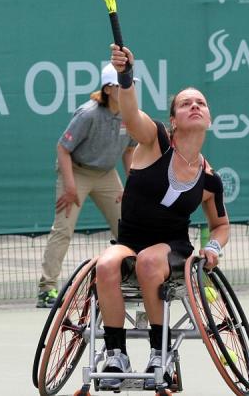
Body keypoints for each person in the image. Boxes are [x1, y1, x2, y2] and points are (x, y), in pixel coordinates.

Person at [95, 44, 229, 390]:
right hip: (130, 241)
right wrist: (126, 76)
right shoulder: (153, 140)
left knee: (151, 262)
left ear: (209, 118)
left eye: (200, 103)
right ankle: (115, 354)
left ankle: (160, 352)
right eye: (186, 103)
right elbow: (130, 113)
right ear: (173, 120)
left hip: (173, 249)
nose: (195, 106)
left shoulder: (209, 179)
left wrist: (214, 246)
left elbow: (221, 225)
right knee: (106, 265)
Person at [37, 63, 136, 308]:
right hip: (76, 171)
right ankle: (47, 289)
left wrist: (131, 185)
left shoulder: (129, 113)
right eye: (123, 83)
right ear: (110, 88)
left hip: (106, 174)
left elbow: (130, 149)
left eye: (130, 83)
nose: (129, 88)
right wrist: (70, 186)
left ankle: (132, 281)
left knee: (128, 227)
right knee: (63, 229)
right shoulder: (88, 113)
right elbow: (62, 148)